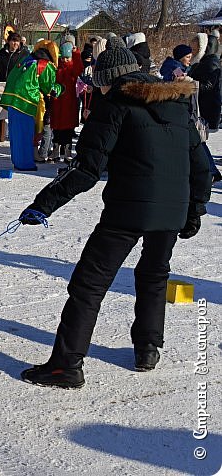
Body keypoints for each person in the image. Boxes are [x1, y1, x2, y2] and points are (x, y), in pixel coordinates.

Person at [18, 37, 212, 389]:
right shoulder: (175, 103)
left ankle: (66, 366)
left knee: (89, 284)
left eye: (100, 82)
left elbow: (86, 171)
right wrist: (194, 210)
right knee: (154, 275)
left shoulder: (113, 105)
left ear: (111, 79)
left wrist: (42, 204)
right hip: (171, 210)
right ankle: (148, 347)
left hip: (128, 210)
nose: (100, 88)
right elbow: (202, 165)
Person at [0, 39, 62, 171]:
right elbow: (48, 87)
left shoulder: (26, 59)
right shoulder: (45, 65)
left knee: (16, 134)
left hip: (12, 100)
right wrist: (60, 88)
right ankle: (25, 164)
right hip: (26, 102)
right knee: (26, 134)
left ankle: (17, 161)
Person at [189, 33, 222, 181]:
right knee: (198, 140)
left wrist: (189, 82)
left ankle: (212, 171)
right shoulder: (203, 62)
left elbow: (207, 86)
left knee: (199, 140)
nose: (193, 51)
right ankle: (211, 170)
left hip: (206, 109)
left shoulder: (211, 63)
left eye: (195, 48)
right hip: (201, 107)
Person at [50, 43, 84, 162]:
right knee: (57, 130)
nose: (64, 60)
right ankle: (56, 150)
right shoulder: (57, 68)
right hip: (57, 103)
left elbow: (79, 68)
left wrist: (76, 53)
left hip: (69, 104)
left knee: (68, 130)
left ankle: (67, 151)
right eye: (63, 57)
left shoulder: (71, 69)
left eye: (67, 58)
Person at [0, 32, 29, 140]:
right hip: (2, 83)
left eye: (17, 41)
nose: (15, 43)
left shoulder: (24, 53)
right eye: (13, 41)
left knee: (15, 110)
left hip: (16, 86)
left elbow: (27, 69)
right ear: (8, 42)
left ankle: (15, 132)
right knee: (0, 108)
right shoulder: (3, 52)